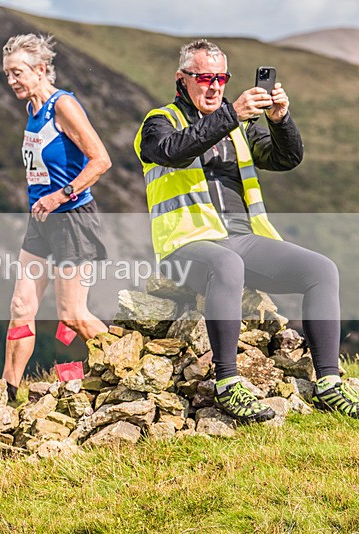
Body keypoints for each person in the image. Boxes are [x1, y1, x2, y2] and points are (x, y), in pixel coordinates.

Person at [134, 39, 359, 423]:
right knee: (226, 264)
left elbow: (286, 158)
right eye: (204, 77)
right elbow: (172, 151)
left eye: (221, 78)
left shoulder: (238, 128)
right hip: (184, 244)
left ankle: (329, 383)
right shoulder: (159, 122)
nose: (214, 86)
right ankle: (227, 383)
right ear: (181, 78)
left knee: (322, 270)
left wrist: (280, 120)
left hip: (242, 239)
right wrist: (230, 115)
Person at [0, 34, 111, 401]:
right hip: (42, 220)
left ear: (41, 69)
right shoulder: (32, 111)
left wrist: (61, 195)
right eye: (7, 74)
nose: (11, 81)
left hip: (72, 218)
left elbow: (101, 160)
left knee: (72, 315)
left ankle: (127, 365)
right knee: (21, 306)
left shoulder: (62, 105)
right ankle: (6, 394)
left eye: (17, 73)